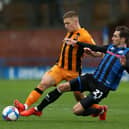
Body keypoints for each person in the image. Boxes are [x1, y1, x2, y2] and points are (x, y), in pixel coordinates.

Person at [19, 25, 129, 121]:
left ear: (123, 39)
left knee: (77, 111)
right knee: (62, 87)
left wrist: (125, 65)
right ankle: (38, 110)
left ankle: (100, 110)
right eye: (113, 35)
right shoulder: (110, 47)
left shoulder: (126, 53)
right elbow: (95, 47)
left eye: (115, 36)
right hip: (92, 78)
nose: (112, 38)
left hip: (102, 87)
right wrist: (77, 43)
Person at [14, 11, 101, 113]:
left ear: (75, 21)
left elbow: (100, 53)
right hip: (59, 68)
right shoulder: (70, 32)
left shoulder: (85, 36)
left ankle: (100, 110)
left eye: (67, 23)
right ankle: (24, 106)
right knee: (43, 83)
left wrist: (91, 53)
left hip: (74, 72)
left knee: (80, 99)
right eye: (64, 23)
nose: (65, 26)